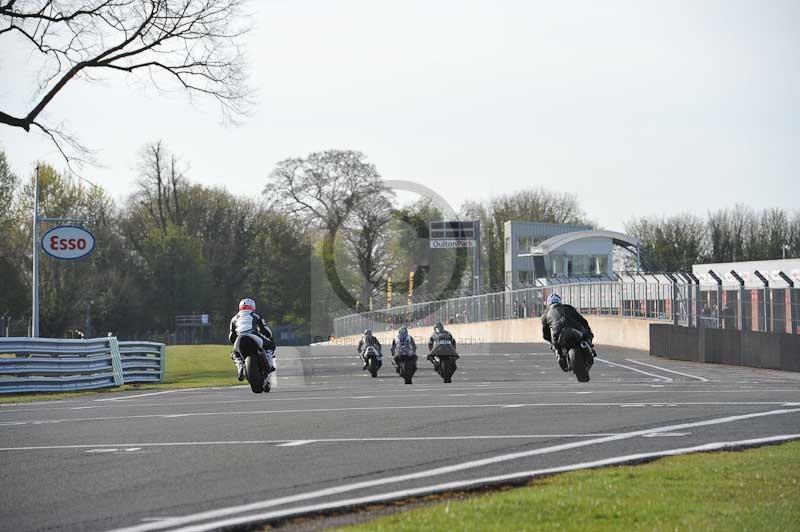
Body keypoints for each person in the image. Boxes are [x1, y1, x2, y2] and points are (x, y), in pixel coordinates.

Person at [541, 293, 594, 372]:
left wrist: (551, 341)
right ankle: (588, 347)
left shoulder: (545, 314)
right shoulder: (568, 307)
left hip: (558, 333)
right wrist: (588, 330)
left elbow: (545, 334)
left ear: (548, 303)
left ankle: (559, 355)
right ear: (559, 301)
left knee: (553, 345)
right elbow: (582, 320)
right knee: (588, 334)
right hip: (574, 328)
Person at [229, 298, 276, 381]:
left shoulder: (234, 318)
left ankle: (240, 367)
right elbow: (265, 329)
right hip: (253, 335)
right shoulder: (255, 315)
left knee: (234, 353)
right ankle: (269, 363)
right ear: (253, 307)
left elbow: (231, 336)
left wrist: (235, 343)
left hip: (240, 338)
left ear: (240, 307)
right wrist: (270, 337)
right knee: (270, 345)